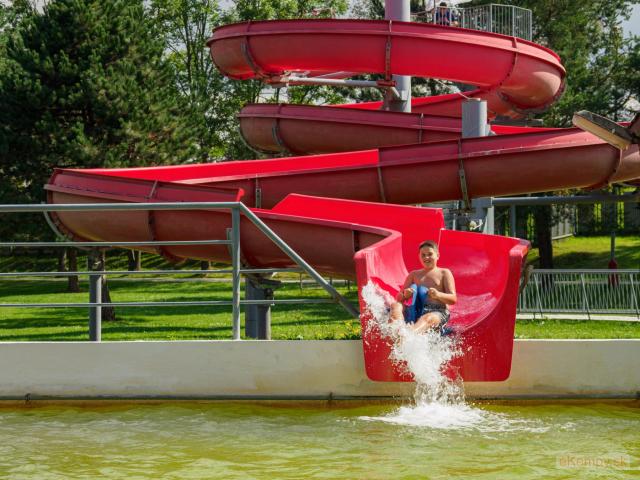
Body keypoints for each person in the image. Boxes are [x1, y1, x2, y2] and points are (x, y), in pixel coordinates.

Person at [390, 240, 457, 334]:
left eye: (430, 254)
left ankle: (409, 335)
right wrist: (405, 295)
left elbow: (453, 299)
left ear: (437, 255)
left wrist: (438, 295)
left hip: (437, 311)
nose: (426, 257)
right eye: (423, 255)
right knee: (395, 305)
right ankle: (396, 330)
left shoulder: (444, 273)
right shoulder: (414, 275)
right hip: (416, 309)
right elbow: (398, 298)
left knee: (427, 318)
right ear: (419, 257)